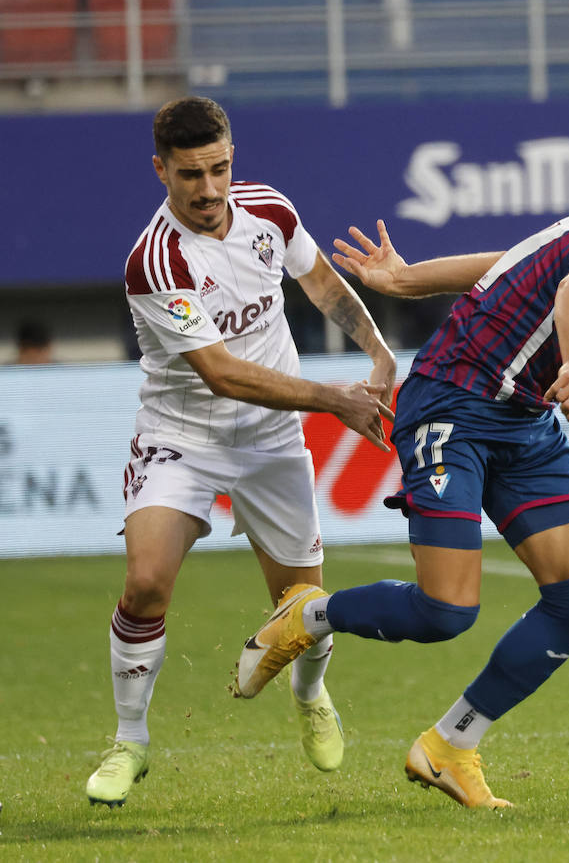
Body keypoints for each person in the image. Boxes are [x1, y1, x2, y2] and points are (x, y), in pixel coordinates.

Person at [233, 148, 569, 808]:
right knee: (446, 611)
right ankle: (310, 613)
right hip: (455, 402)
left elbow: (519, 260)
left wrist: (409, 282)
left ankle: (449, 746)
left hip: (525, 420)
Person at [85, 96, 396, 808]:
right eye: (190, 174)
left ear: (233, 158)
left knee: (304, 606)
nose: (208, 189)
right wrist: (332, 398)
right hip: (181, 438)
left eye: (219, 168)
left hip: (270, 441)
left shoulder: (269, 211)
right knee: (145, 583)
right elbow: (220, 373)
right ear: (161, 170)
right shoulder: (154, 261)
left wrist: (377, 348)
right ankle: (130, 739)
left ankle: (311, 693)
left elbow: (319, 281)